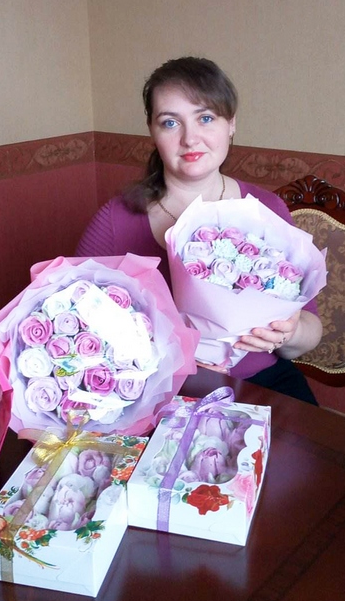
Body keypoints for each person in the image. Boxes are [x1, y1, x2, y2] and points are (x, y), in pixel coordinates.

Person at [76, 56, 322, 404]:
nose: (190, 139)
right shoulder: (116, 219)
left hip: (262, 383)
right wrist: (158, 353)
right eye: (170, 123)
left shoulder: (267, 210)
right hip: (153, 389)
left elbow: (311, 331)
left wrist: (290, 332)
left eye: (205, 118)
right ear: (152, 132)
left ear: (231, 123)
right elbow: (79, 321)